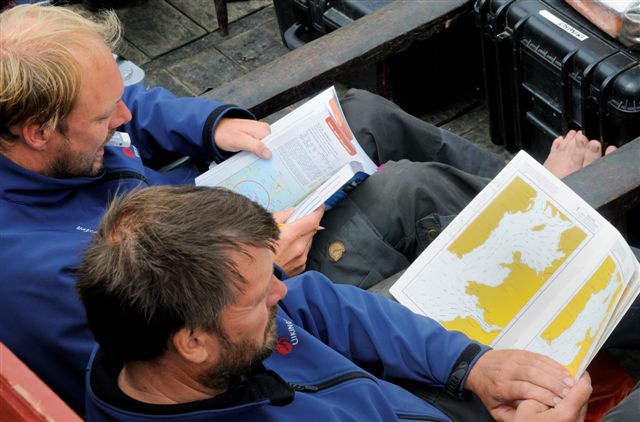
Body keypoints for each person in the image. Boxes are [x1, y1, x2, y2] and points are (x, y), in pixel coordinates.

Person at [0, 2, 623, 413]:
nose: (126, 120)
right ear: (36, 131)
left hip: (215, 250)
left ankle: (544, 197)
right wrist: (266, 264)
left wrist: (211, 123)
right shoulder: (60, 278)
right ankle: (562, 208)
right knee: (410, 192)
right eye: (106, 118)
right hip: (220, 273)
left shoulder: (55, 144)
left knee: (363, 113)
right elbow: (252, 321)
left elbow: (303, 307)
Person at [76, 185, 607, 422]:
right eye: (262, 296)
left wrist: (469, 364)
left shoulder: (197, 347)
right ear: (192, 342)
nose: (284, 291)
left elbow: (324, 305)